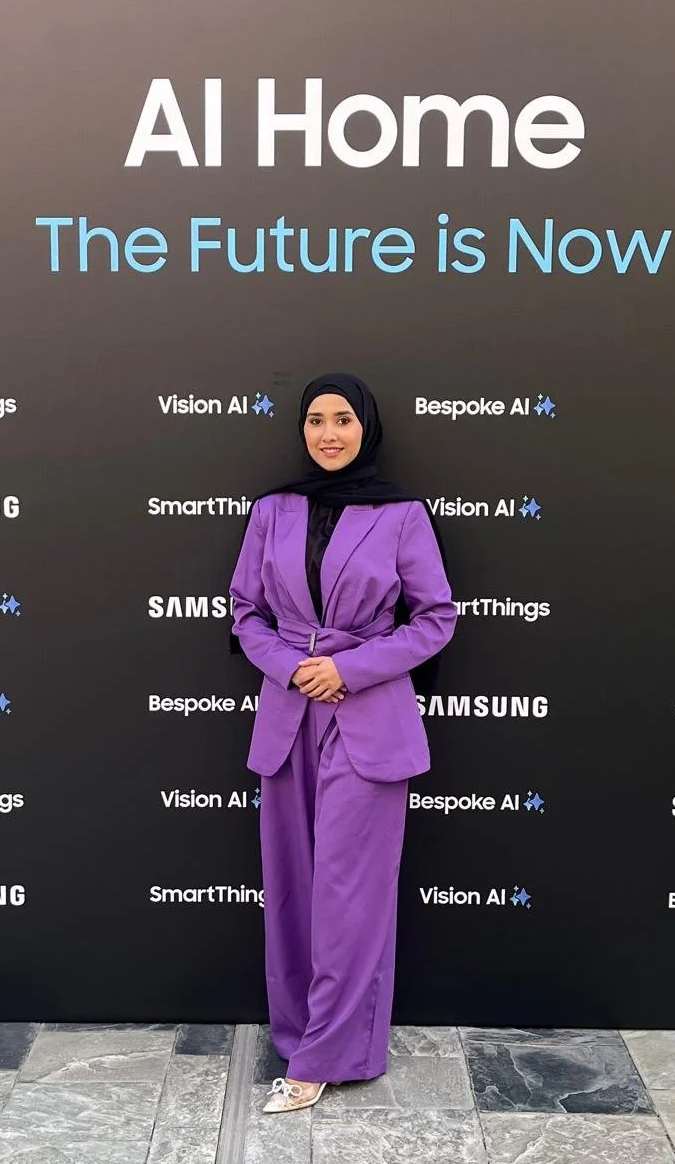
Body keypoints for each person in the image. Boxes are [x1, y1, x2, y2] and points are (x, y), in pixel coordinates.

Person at [228, 372, 457, 1113]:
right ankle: (298, 1034)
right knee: (292, 888)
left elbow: (434, 618)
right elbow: (244, 613)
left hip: (368, 717)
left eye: (343, 420)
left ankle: (324, 1056)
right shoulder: (271, 509)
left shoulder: (399, 513)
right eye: (316, 420)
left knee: (348, 894)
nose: (328, 433)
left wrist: (348, 669)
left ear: (367, 427)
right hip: (288, 710)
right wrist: (293, 666)